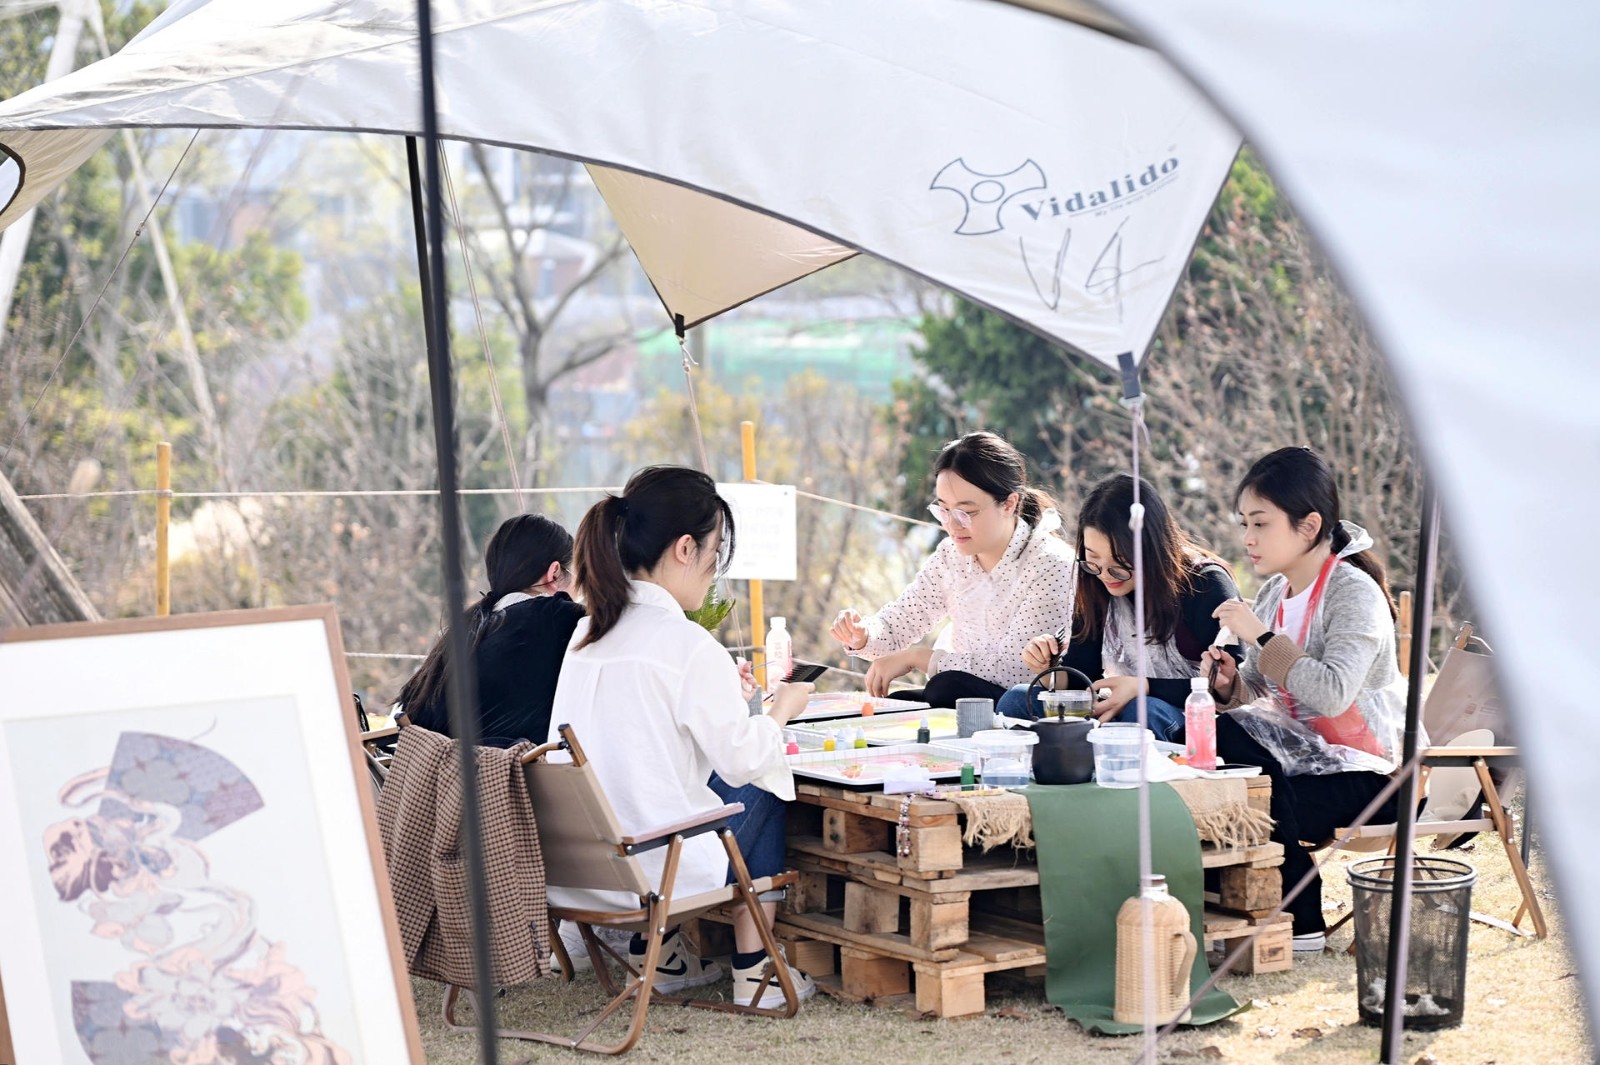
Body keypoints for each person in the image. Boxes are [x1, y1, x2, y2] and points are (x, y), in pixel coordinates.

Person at [549, 465, 816, 1007]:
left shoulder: (586, 633)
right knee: (765, 778)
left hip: (580, 873)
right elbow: (745, 760)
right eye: (715, 559)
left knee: (706, 781)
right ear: (686, 548)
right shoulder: (686, 645)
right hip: (653, 871)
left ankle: (664, 954)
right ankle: (755, 970)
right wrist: (781, 711)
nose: (713, 577)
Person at [1202, 446, 1406, 952]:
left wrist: (1261, 637)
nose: (1248, 538)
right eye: (1244, 523)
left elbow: (1333, 695)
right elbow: (1259, 689)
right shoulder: (1276, 592)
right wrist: (1228, 684)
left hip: (1373, 775)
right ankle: (1260, 907)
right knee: (1222, 745)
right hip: (1306, 763)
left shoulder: (1353, 593)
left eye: (1261, 523)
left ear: (1309, 525)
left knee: (1251, 789)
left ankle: (1300, 913)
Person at [829, 431, 1075, 707]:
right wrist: (863, 634)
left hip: (1023, 704)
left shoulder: (1051, 564)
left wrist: (919, 658)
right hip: (963, 692)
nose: (952, 525)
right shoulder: (951, 555)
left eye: (965, 513)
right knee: (897, 704)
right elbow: (901, 621)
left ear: (1009, 503)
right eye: (944, 510)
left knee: (945, 687)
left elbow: (1017, 671)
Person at [996, 474, 1242, 740]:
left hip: (1186, 717)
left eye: (1119, 564)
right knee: (1017, 699)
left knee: (1143, 711)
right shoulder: (1094, 581)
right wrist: (1048, 669)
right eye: (1093, 559)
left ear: (1151, 549)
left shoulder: (1205, 583)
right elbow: (1082, 679)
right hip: (1117, 708)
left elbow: (1230, 686)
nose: (1105, 574)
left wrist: (1144, 687)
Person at [398, 513, 585, 747]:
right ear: (555, 572)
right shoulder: (558, 616)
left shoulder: (465, 629)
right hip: (517, 769)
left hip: (443, 769)